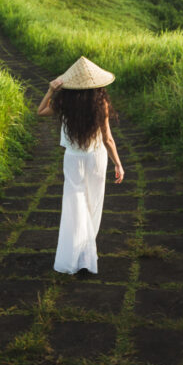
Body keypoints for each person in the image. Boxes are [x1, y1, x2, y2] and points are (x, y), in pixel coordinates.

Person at [36, 56, 124, 275]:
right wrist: (118, 164)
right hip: (96, 158)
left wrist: (50, 90)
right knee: (93, 203)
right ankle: (86, 254)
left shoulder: (64, 102)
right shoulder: (100, 102)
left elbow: (40, 111)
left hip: (73, 159)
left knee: (75, 204)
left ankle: (75, 255)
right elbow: (108, 138)